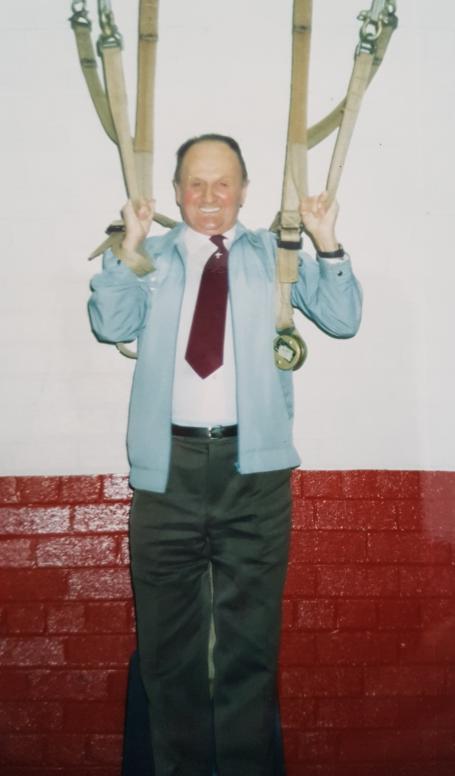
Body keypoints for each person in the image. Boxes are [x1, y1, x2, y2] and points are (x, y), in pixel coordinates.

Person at [88, 133, 362, 776]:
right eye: (195, 183)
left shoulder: (274, 255)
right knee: (168, 655)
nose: (209, 196)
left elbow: (343, 318)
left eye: (222, 183)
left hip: (254, 477)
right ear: (176, 191)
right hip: (166, 476)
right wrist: (126, 247)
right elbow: (111, 324)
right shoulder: (150, 258)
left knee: (248, 652)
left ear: (243, 190)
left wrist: (326, 241)